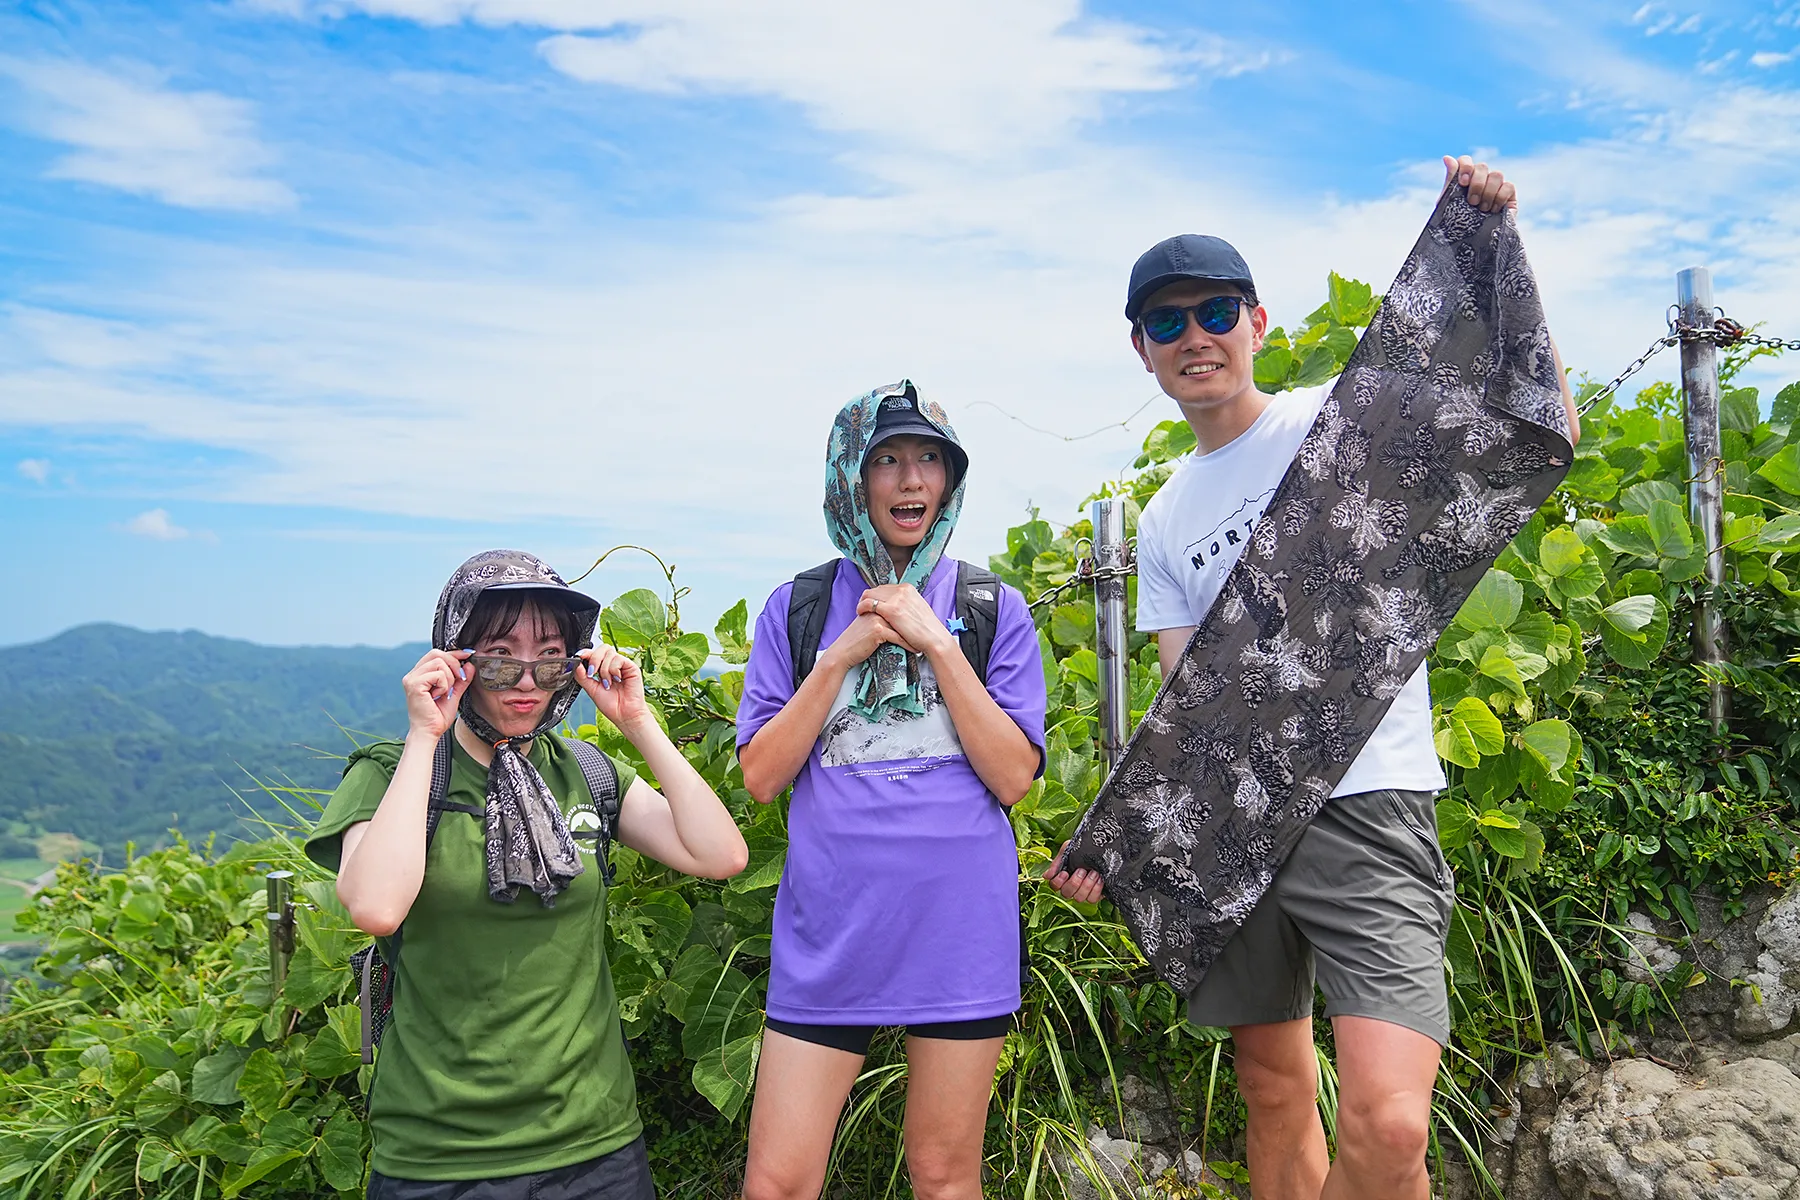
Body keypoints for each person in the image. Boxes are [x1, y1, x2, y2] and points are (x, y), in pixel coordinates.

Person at [1043, 157, 1582, 1200]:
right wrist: (1119, 846)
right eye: (1168, 324)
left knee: (1388, 1124)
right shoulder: (1163, 519)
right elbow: (1186, 714)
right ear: (1143, 352)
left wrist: (1496, 241)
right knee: (1273, 1090)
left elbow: (1529, 417)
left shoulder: (1338, 425)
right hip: (1239, 828)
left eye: (1213, 311)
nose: (1195, 336)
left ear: (1257, 320)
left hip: (1367, 800)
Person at [305, 549, 748, 1200]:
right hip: (440, 1157)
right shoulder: (391, 775)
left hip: (596, 1146)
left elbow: (721, 855)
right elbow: (375, 906)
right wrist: (426, 737)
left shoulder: (586, 774)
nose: (526, 678)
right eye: (498, 654)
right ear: (456, 657)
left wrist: (638, 721)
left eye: (549, 654)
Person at [735, 382, 1048, 1200]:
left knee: (945, 1178)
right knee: (776, 1181)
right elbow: (762, 777)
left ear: (950, 480)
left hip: (958, 933)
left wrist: (938, 646)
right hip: (829, 932)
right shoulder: (798, 609)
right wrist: (840, 655)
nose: (911, 481)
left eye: (929, 460)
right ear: (852, 478)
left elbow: (1014, 776)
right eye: (888, 460)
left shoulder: (991, 610)